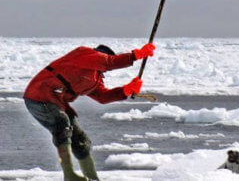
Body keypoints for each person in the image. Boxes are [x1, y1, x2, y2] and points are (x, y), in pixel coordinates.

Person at [23, 43, 155, 181]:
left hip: (56, 102)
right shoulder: (83, 54)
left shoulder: (94, 78)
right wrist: (135, 55)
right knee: (62, 124)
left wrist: (125, 90)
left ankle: (92, 178)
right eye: (101, 58)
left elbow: (102, 96)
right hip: (38, 96)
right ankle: (69, 176)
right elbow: (108, 62)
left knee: (80, 140)